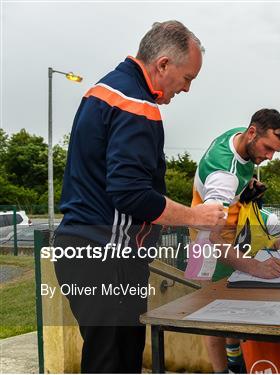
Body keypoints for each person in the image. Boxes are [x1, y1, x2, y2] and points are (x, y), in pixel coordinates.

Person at [53, 21, 225, 373]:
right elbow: (131, 194)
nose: (187, 89)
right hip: (106, 256)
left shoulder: (105, 90)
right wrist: (198, 217)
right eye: (187, 78)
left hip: (88, 250)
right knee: (114, 361)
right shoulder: (135, 104)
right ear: (163, 65)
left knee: (115, 358)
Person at [191, 108, 280, 373]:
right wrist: (255, 267)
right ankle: (222, 372)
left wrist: (245, 194)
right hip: (207, 239)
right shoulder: (223, 174)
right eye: (268, 148)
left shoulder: (239, 137)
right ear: (252, 133)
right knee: (210, 316)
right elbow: (211, 239)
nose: (268, 157)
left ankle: (235, 359)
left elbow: (232, 187)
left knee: (234, 307)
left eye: (275, 152)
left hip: (232, 231)